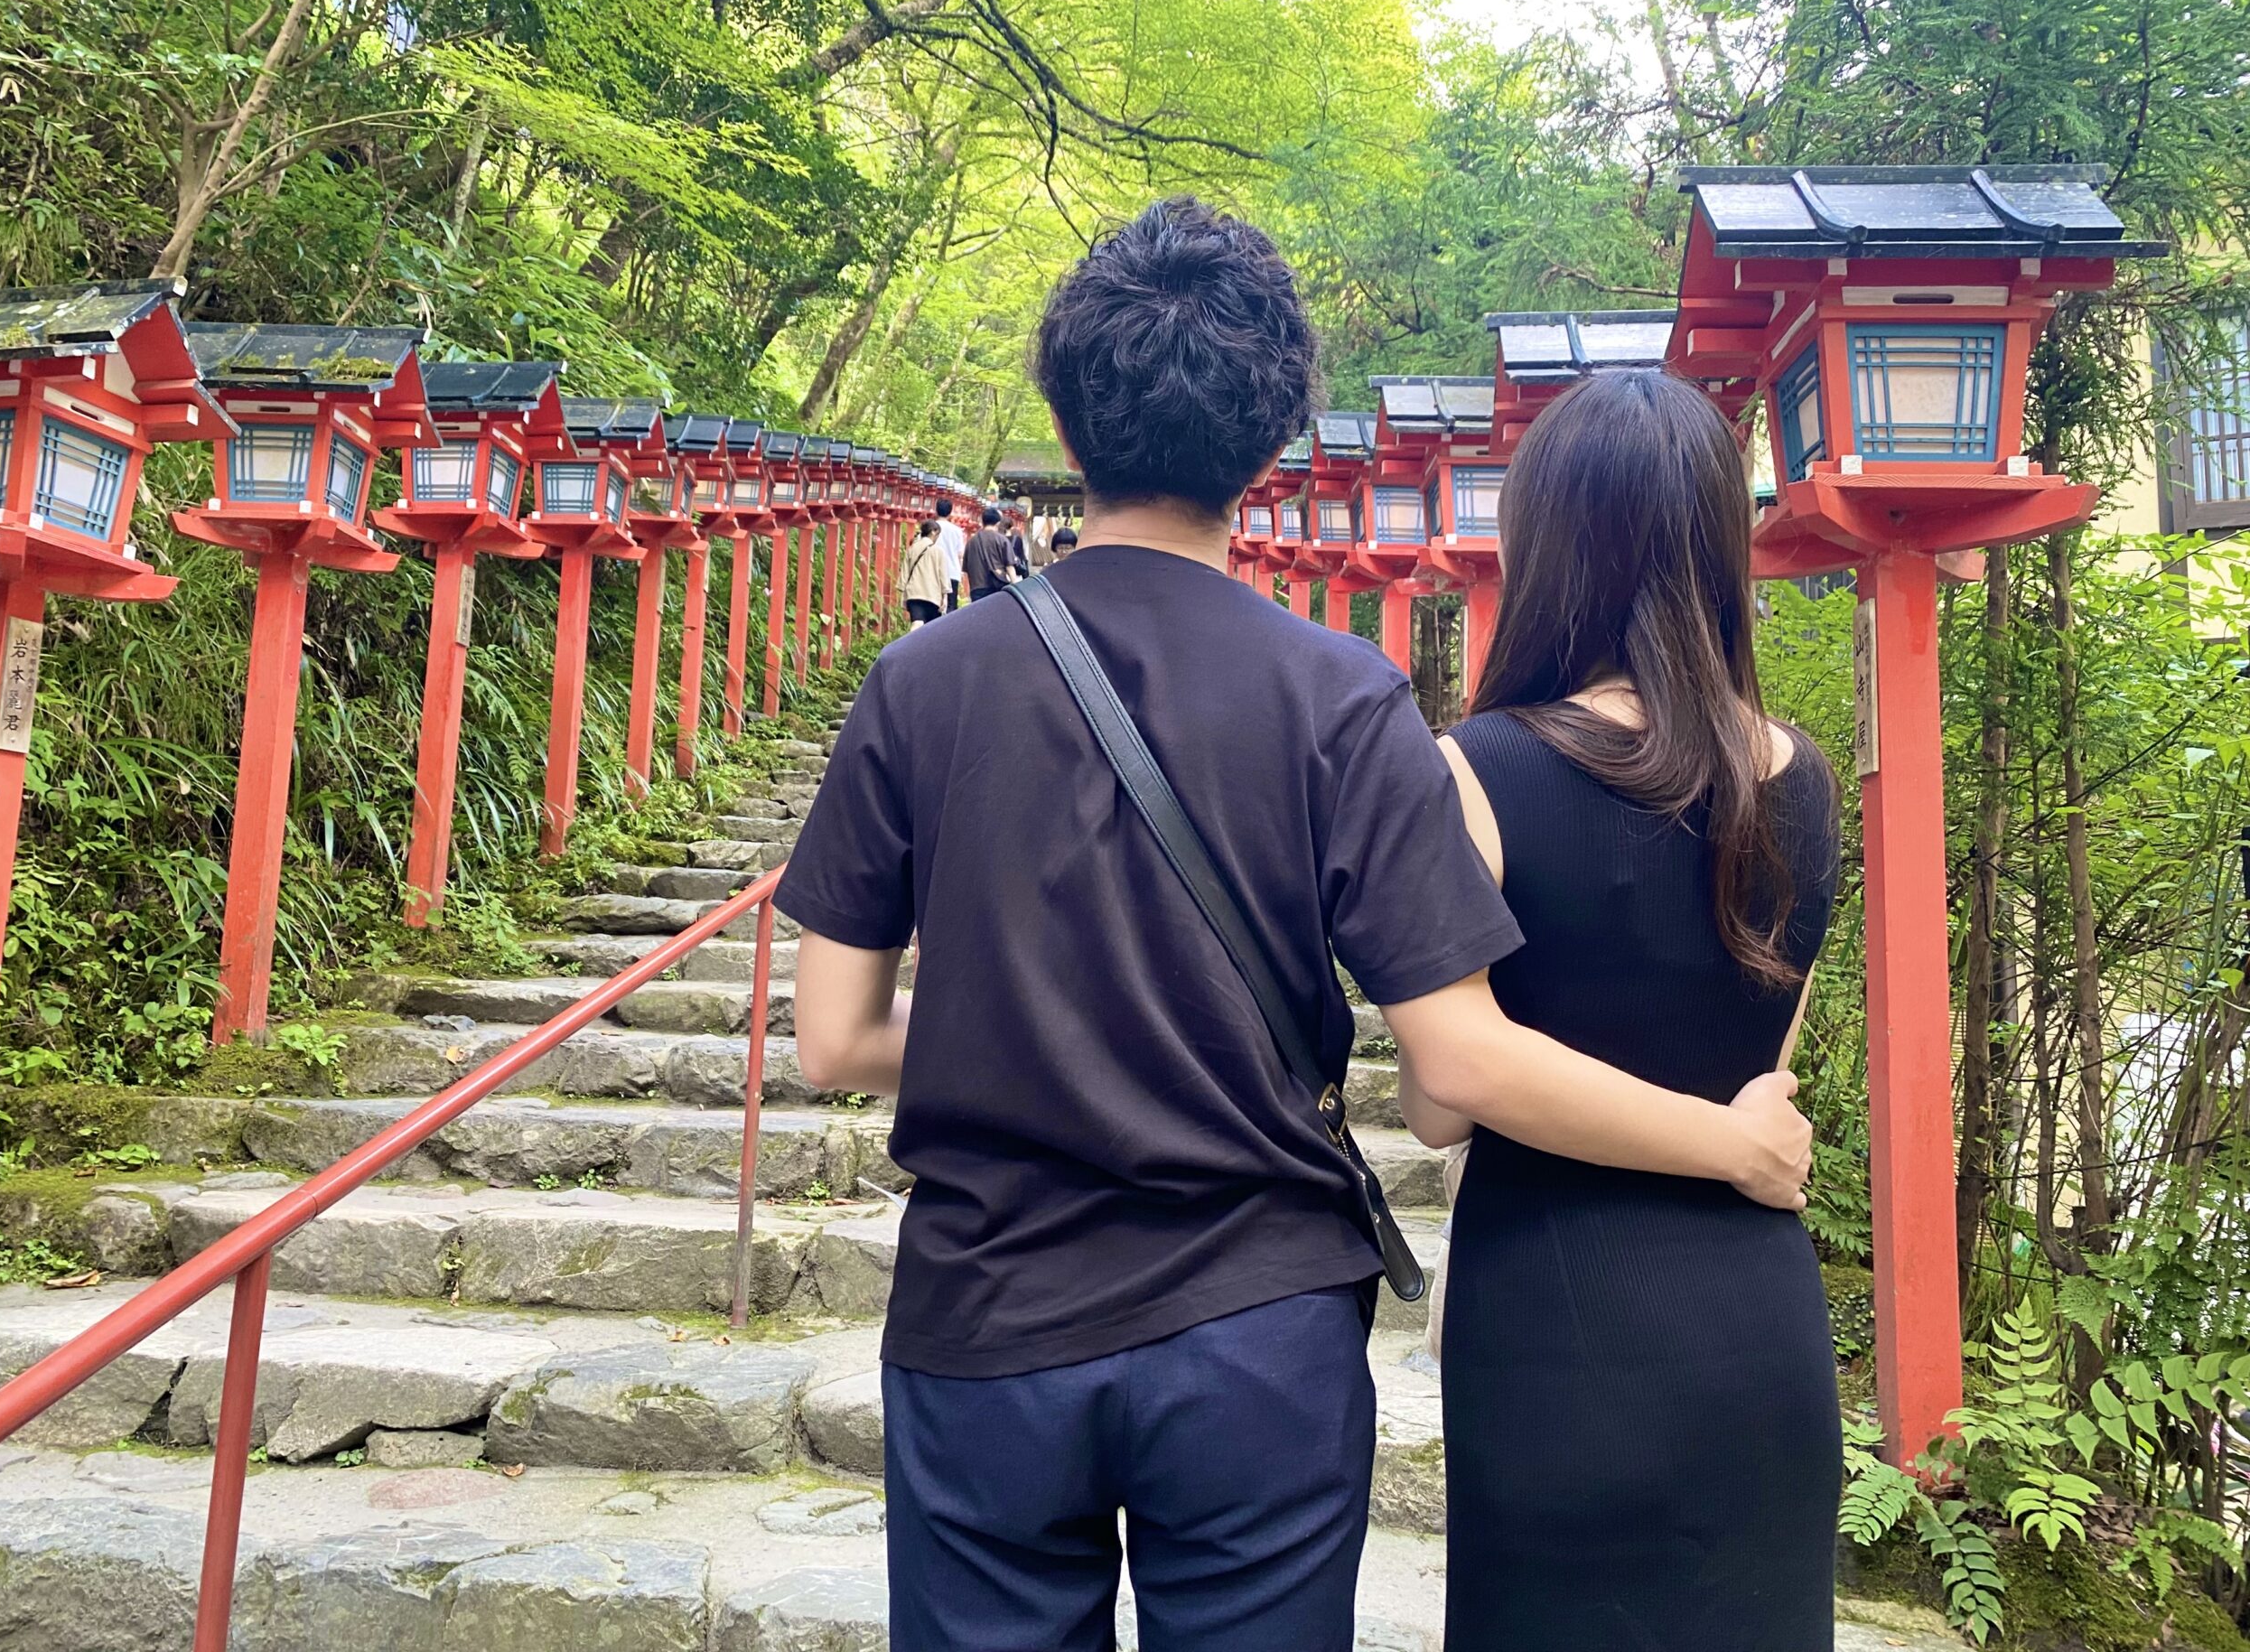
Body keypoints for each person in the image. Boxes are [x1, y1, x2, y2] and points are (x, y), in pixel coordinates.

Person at [776, 197, 1811, 1652]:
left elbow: (831, 1041)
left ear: (1071, 432)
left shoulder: (923, 682)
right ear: (1269, 453)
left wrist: (1014, 1037)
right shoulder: (1341, 696)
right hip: (1258, 1327)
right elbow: (1450, 1048)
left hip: (988, 1314)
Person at [1411, 368, 1842, 1652]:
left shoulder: (1470, 769)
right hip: (1757, 1317)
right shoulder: (1802, 776)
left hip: (1557, 1318)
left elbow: (1444, 1096)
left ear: (1543, 540)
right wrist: (1728, 1145)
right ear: (1722, 541)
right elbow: (1764, 1075)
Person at [961, 504, 1015, 600]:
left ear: (982, 521)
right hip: (997, 587)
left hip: (977, 588)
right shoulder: (1002, 540)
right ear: (998, 523)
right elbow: (1010, 566)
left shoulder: (972, 541)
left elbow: (966, 569)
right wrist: (1015, 587)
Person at [899, 518, 946, 628]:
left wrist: (903, 595)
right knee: (932, 627)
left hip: (914, 594)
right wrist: (945, 596)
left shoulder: (912, 549)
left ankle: (913, 643)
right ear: (933, 532)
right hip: (933, 595)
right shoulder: (939, 551)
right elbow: (943, 575)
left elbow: (904, 573)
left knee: (917, 622)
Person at [934, 495, 965, 612]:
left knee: (935, 604)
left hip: (934, 571)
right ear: (950, 512)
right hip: (952, 571)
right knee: (951, 606)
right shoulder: (956, 530)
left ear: (936, 510)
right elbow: (960, 554)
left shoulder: (931, 528)